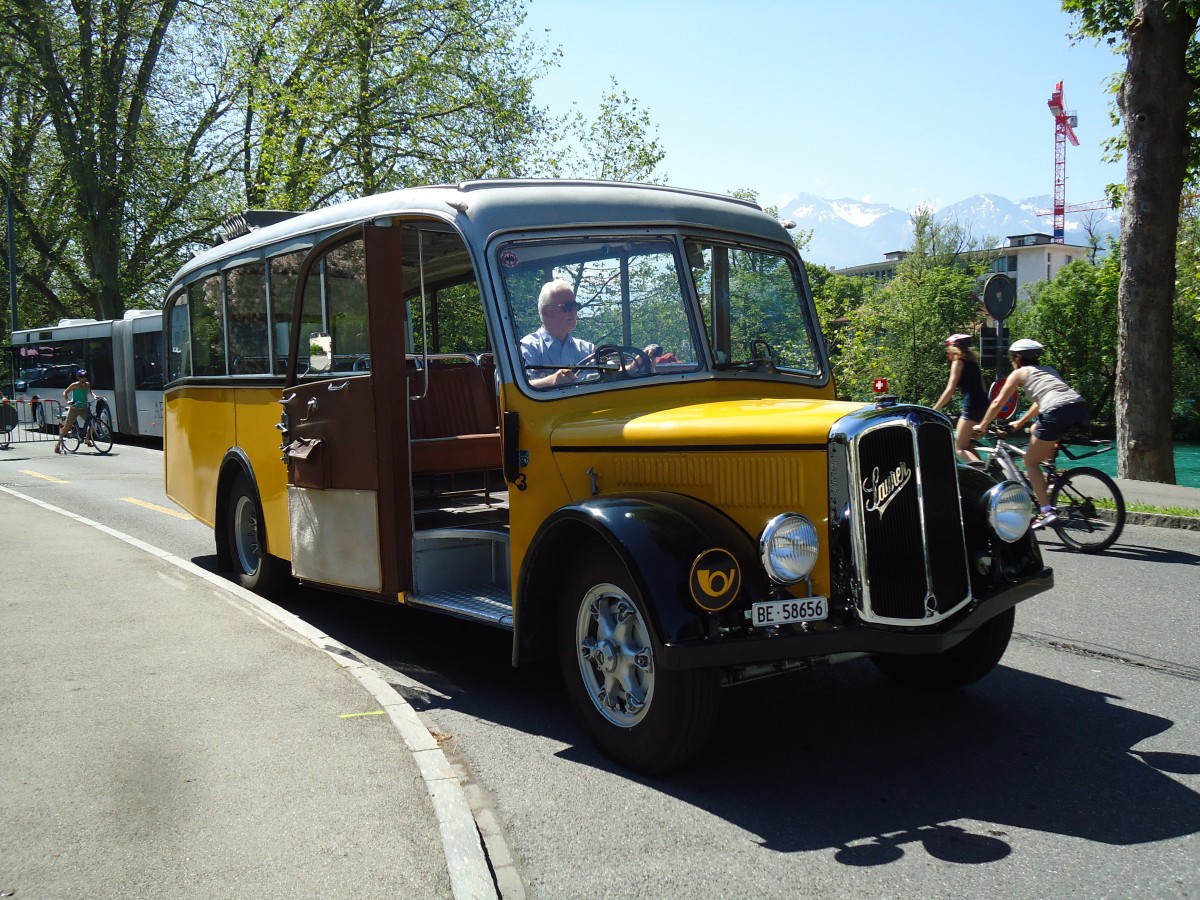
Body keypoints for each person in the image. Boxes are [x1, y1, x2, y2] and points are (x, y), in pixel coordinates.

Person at [973, 339, 1089, 529]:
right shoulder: (1049, 370)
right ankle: (1051, 474)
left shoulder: (1018, 373)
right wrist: (1020, 422)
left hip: (1056, 412)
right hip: (1078, 408)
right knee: (1036, 429)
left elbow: (997, 403)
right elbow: (1040, 403)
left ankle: (1046, 511)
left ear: (1016, 359)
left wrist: (983, 425)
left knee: (1030, 462)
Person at [520, 280, 596, 388]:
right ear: (545, 311)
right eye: (567, 307)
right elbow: (518, 388)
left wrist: (629, 369)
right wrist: (551, 381)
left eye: (575, 306)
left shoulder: (587, 349)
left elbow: (612, 374)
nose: (574, 312)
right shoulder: (528, 347)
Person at [931, 333, 987, 463]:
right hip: (984, 407)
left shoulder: (958, 363)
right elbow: (983, 388)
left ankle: (982, 477)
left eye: (948, 350)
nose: (947, 354)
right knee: (966, 445)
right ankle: (987, 471)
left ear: (953, 349)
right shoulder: (973, 364)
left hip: (972, 408)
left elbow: (950, 390)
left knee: (959, 448)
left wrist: (935, 409)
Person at [56, 368, 95, 454]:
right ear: (78, 377)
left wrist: (95, 396)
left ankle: (87, 440)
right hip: (74, 408)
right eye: (81, 376)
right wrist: (68, 401)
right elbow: (65, 392)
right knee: (66, 428)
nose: (84, 378)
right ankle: (58, 445)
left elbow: (90, 392)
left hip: (83, 408)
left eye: (85, 376)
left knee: (92, 423)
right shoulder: (75, 385)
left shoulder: (87, 384)